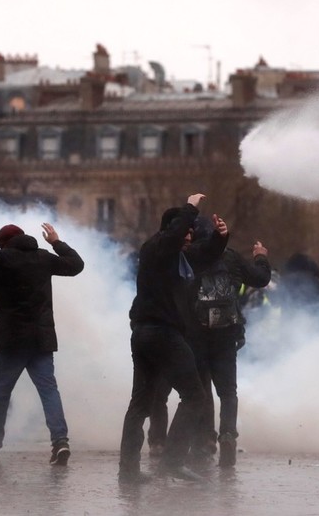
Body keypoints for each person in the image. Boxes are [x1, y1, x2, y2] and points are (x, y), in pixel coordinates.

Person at [0, 221, 83, 465]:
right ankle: (60, 441)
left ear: (3, 243)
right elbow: (77, 265)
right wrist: (56, 242)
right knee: (48, 390)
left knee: (1, 393)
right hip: (41, 339)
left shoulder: (2, 259)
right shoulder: (43, 257)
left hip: (11, 340)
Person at [119, 193, 227, 482]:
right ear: (172, 230)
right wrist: (190, 207)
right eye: (186, 231)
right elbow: (175, 236)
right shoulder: (156, 249)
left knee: (140, 403)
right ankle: (172, 461)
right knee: (194, 396)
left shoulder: (177, 257)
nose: (190, 237)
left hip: (147, 334)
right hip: (160, 333)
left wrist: (220, 237)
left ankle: (128, 472)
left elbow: (205, 255)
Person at [186, 221, 271, 467]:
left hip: (197, 334)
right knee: (228, 391)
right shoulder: (231, 257)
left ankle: (204, 440)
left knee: (201, 390)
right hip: (226, 333)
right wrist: (261, 257)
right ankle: (227, 436)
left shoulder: (190, 258)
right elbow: (261, 278)